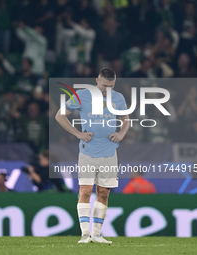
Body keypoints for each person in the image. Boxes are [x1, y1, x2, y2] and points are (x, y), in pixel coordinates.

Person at [55, 68, 129, 244]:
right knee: (85, 191)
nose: (107, 90)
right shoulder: (82, 95)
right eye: (104, 85)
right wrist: (77, 133)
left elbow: (126, 119)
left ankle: (96, 234)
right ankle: (85, 234)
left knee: (103, 192)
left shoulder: (118, 98)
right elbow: (60, 115)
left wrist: (121, 134)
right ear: (97, 80)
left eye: (111, 86)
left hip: (110, 151)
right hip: (88, 151)